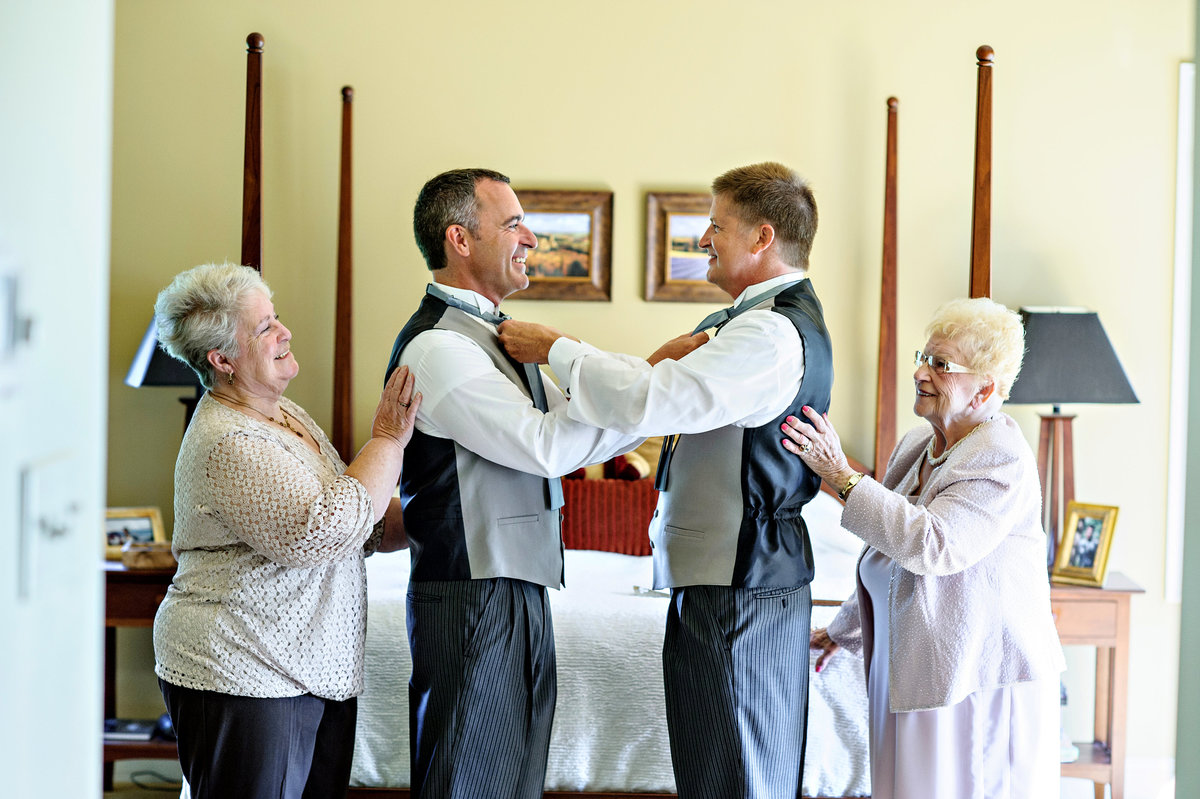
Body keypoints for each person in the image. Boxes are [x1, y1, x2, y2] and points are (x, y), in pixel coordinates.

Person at [498, 161, 832, 799]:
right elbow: (657, 394)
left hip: (741, 587)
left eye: (716, 226)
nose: (702, 239)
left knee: (733, 775)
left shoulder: (768, 333)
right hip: (723, 582)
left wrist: (557, 348)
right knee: (718, 772)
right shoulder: (746, 326)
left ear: (762, 238)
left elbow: (653, 399)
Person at [385, 168, 646, 799]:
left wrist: (648, 399)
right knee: (468, 784)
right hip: (469, 592)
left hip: (518, 588)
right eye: (512, 223)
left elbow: (576, 423)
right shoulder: (438, 349)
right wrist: (651, 387)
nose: (531, 236)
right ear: (461, 239)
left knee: (515, 783)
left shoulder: (500, 339)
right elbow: (548, 446)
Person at [151, 262, 421, 799]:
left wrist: (434, 516)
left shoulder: (284, 414)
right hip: (244, 669)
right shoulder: (230, 440)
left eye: (276, 318)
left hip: (307, 669)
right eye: (263, 328)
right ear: (221, 360)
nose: (284, 332)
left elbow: (354, 527)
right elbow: (319, 531)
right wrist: (388, 439)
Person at [782, 296, 1066, 799]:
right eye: (923, 357)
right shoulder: (918, 444)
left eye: (941, 364)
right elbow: (886, 556)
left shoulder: (999, 456)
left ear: (985, 389)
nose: (920, 372)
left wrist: (842, 476)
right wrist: (843, 628)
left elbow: (933, 547)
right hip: (915, 666)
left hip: (976, 679)